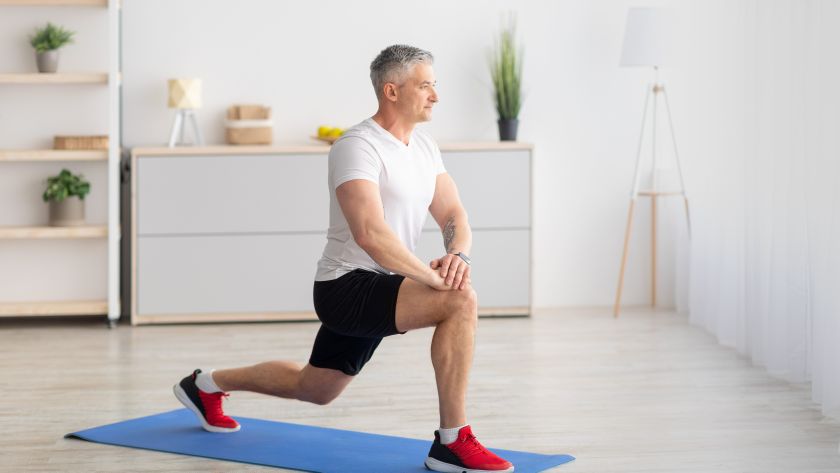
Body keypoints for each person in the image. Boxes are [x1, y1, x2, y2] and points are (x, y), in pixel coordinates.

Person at [173, 44, 514, 473]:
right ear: (391, 90)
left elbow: (453, 213)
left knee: (316, 388)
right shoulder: (356, 146)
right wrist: (432, 279)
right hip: (346, 286)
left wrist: (457, 256)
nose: (435, 96)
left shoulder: (424, 148)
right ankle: (451, 441)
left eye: (434, 85)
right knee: (460, 300)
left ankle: (206, 384)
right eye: (425, 85)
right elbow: (370, 233)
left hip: (387, 283)